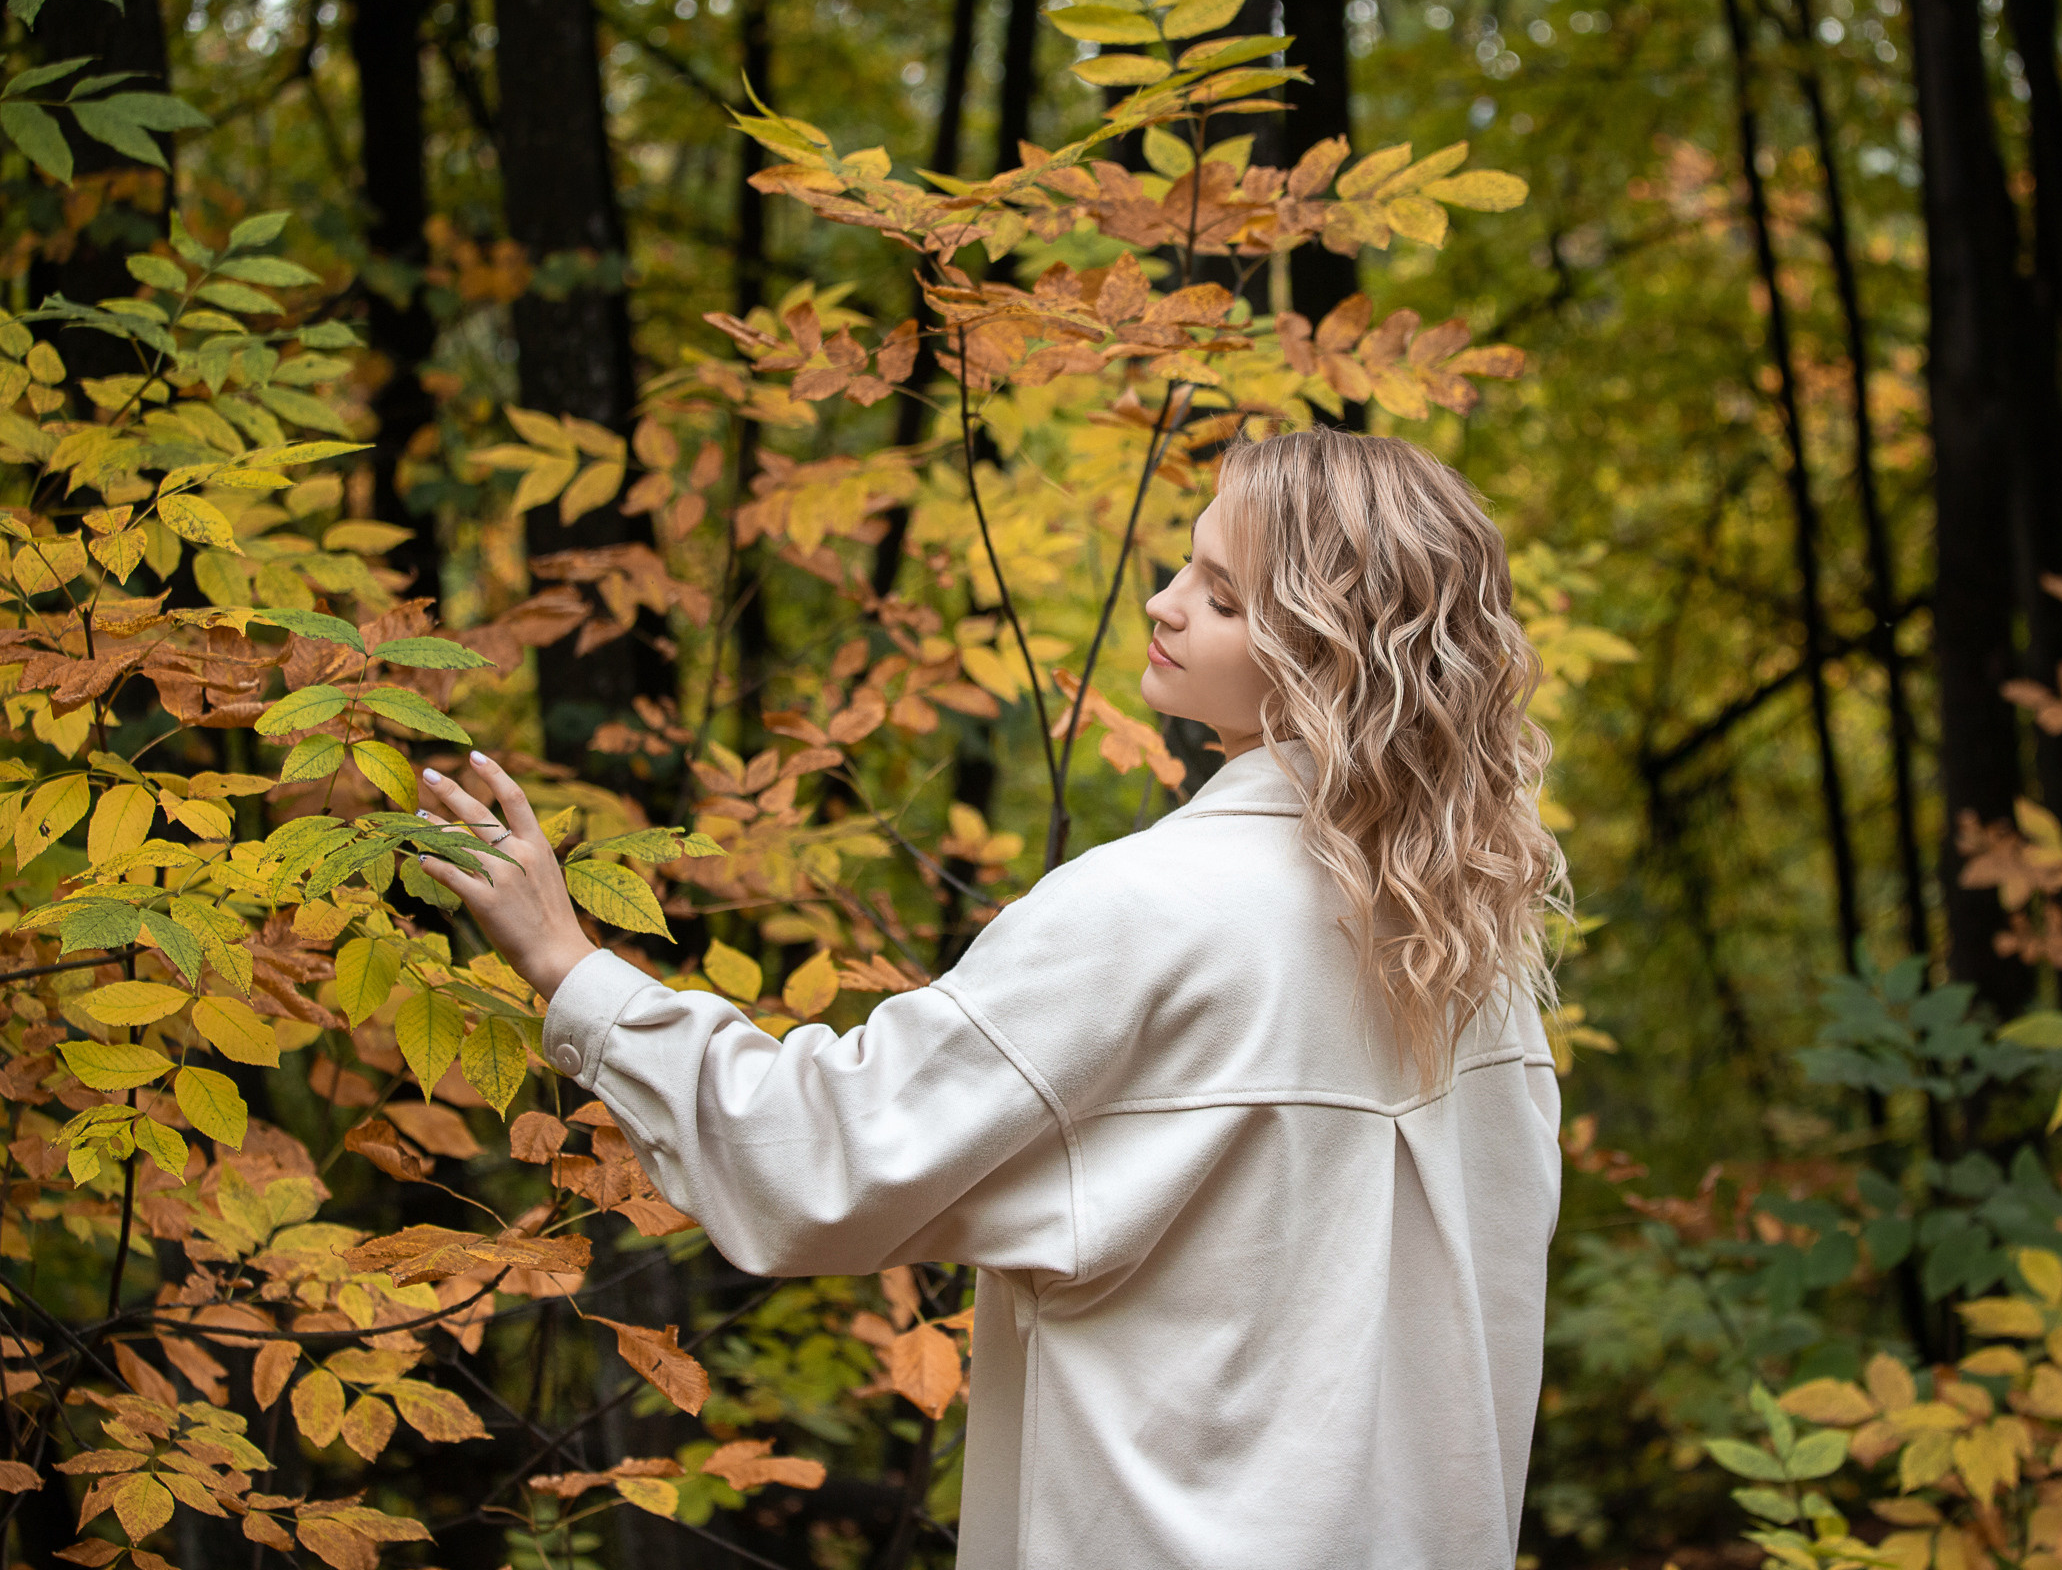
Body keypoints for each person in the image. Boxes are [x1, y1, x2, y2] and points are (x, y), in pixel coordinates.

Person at [418, 427, 1570, 1569]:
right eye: (1184, 565)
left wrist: (575, 972)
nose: (1163, 604)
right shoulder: (1472, 953)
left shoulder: (1147, 912)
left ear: (1328, 655)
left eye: (1220, 598)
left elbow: (818, 1161)